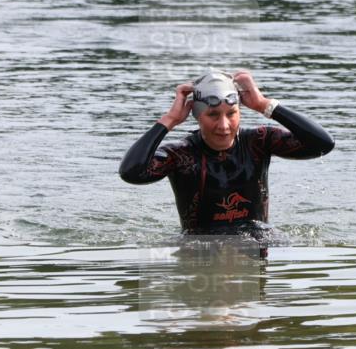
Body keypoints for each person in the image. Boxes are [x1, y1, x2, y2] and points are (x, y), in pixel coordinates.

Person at [119, 69, 333, 240]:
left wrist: (264, 105)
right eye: (213, 115)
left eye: (231, 114)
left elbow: (322, 144)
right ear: (197, 116)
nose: (224, 126)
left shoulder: (259, 141)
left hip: (257, 244)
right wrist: (169, 120)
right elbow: (131, 172)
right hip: (201, 252)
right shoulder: (181, 154)